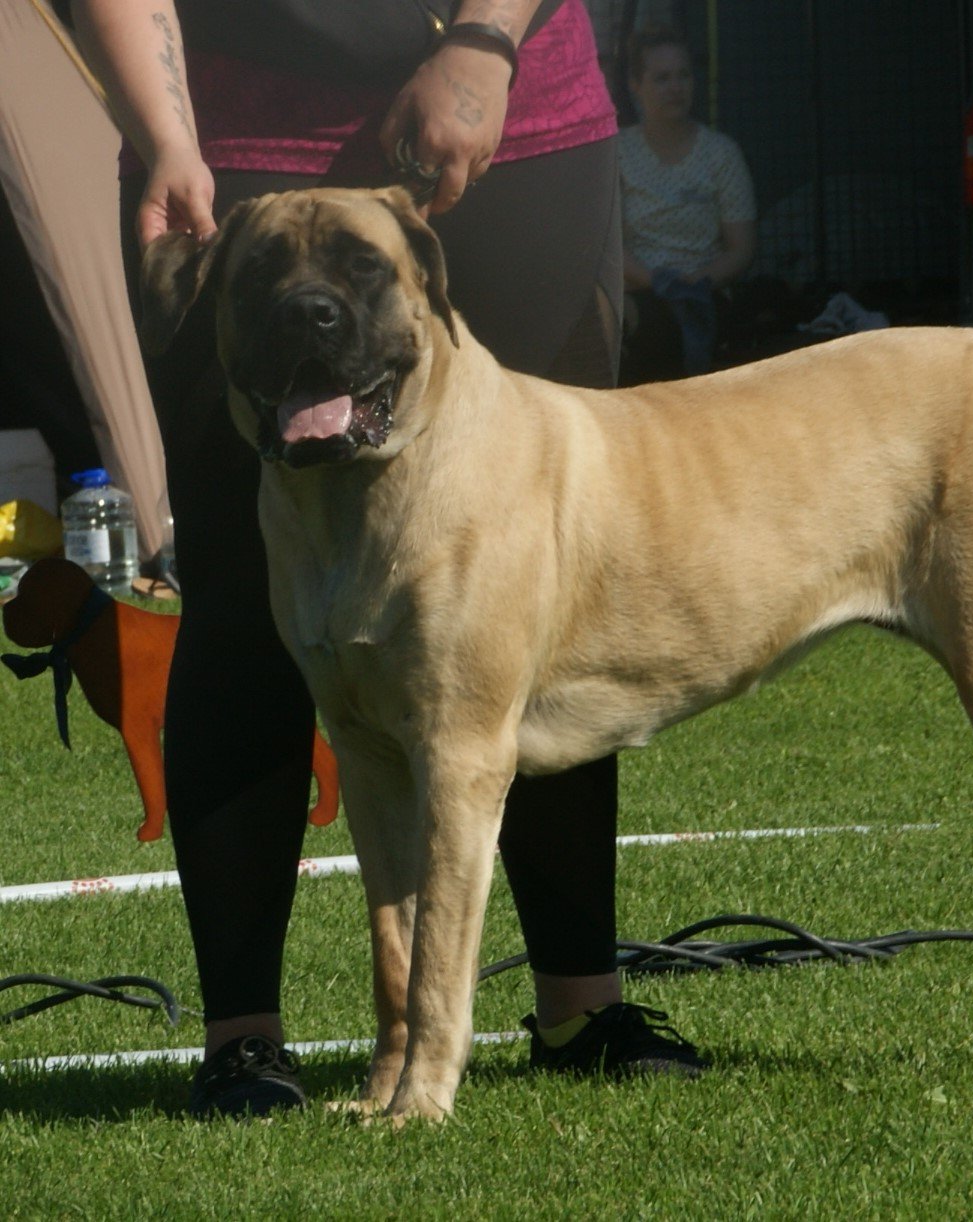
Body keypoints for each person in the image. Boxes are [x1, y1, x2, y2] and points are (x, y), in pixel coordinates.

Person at [67, 0, 704, 1118]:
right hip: (225, 143)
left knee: (544, 582)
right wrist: (167, 132)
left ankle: (578, 1001)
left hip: (513, 127)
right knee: (234, 598)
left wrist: (484, 43)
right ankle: (243, 1041)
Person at [617, 25, 756, 385]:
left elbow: (741, 249)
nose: (675, 88)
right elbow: (607, 249)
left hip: (705, 294)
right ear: (636, 84)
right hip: (640, 293)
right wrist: (656, 281)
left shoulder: (722, 154)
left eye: (683, 76)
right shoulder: (616, 154)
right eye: (662, 78)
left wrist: (696, 282)